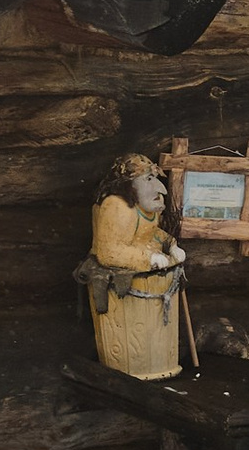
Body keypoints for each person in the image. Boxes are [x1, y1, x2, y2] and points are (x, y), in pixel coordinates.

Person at [80, 153, 187, 379]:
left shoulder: (143, 208)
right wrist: (146, 259)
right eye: (148, 179)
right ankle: (127, 369)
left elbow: (149, 234)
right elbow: (109, 251)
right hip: (120, 277)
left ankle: (159, 363)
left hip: (152, 277)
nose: (161, 188)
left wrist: (170, 244)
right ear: (128, 183)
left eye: (154, 177)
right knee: (129, 339)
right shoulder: (116, 207)